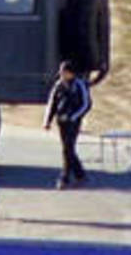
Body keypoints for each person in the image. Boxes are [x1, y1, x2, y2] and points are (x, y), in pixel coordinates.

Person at [43, 60, 92, 189]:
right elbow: (52, 103)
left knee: (67, 148)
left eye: (64, 72)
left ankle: (64, 178)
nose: (61, 74)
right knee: (68, 148)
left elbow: (86, 104)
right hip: (61, 121)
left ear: (71, 73)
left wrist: (74, 117)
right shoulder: (58, 85)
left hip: (73, 122)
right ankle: (80, 174)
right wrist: (47, 121)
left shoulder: (79, 85)